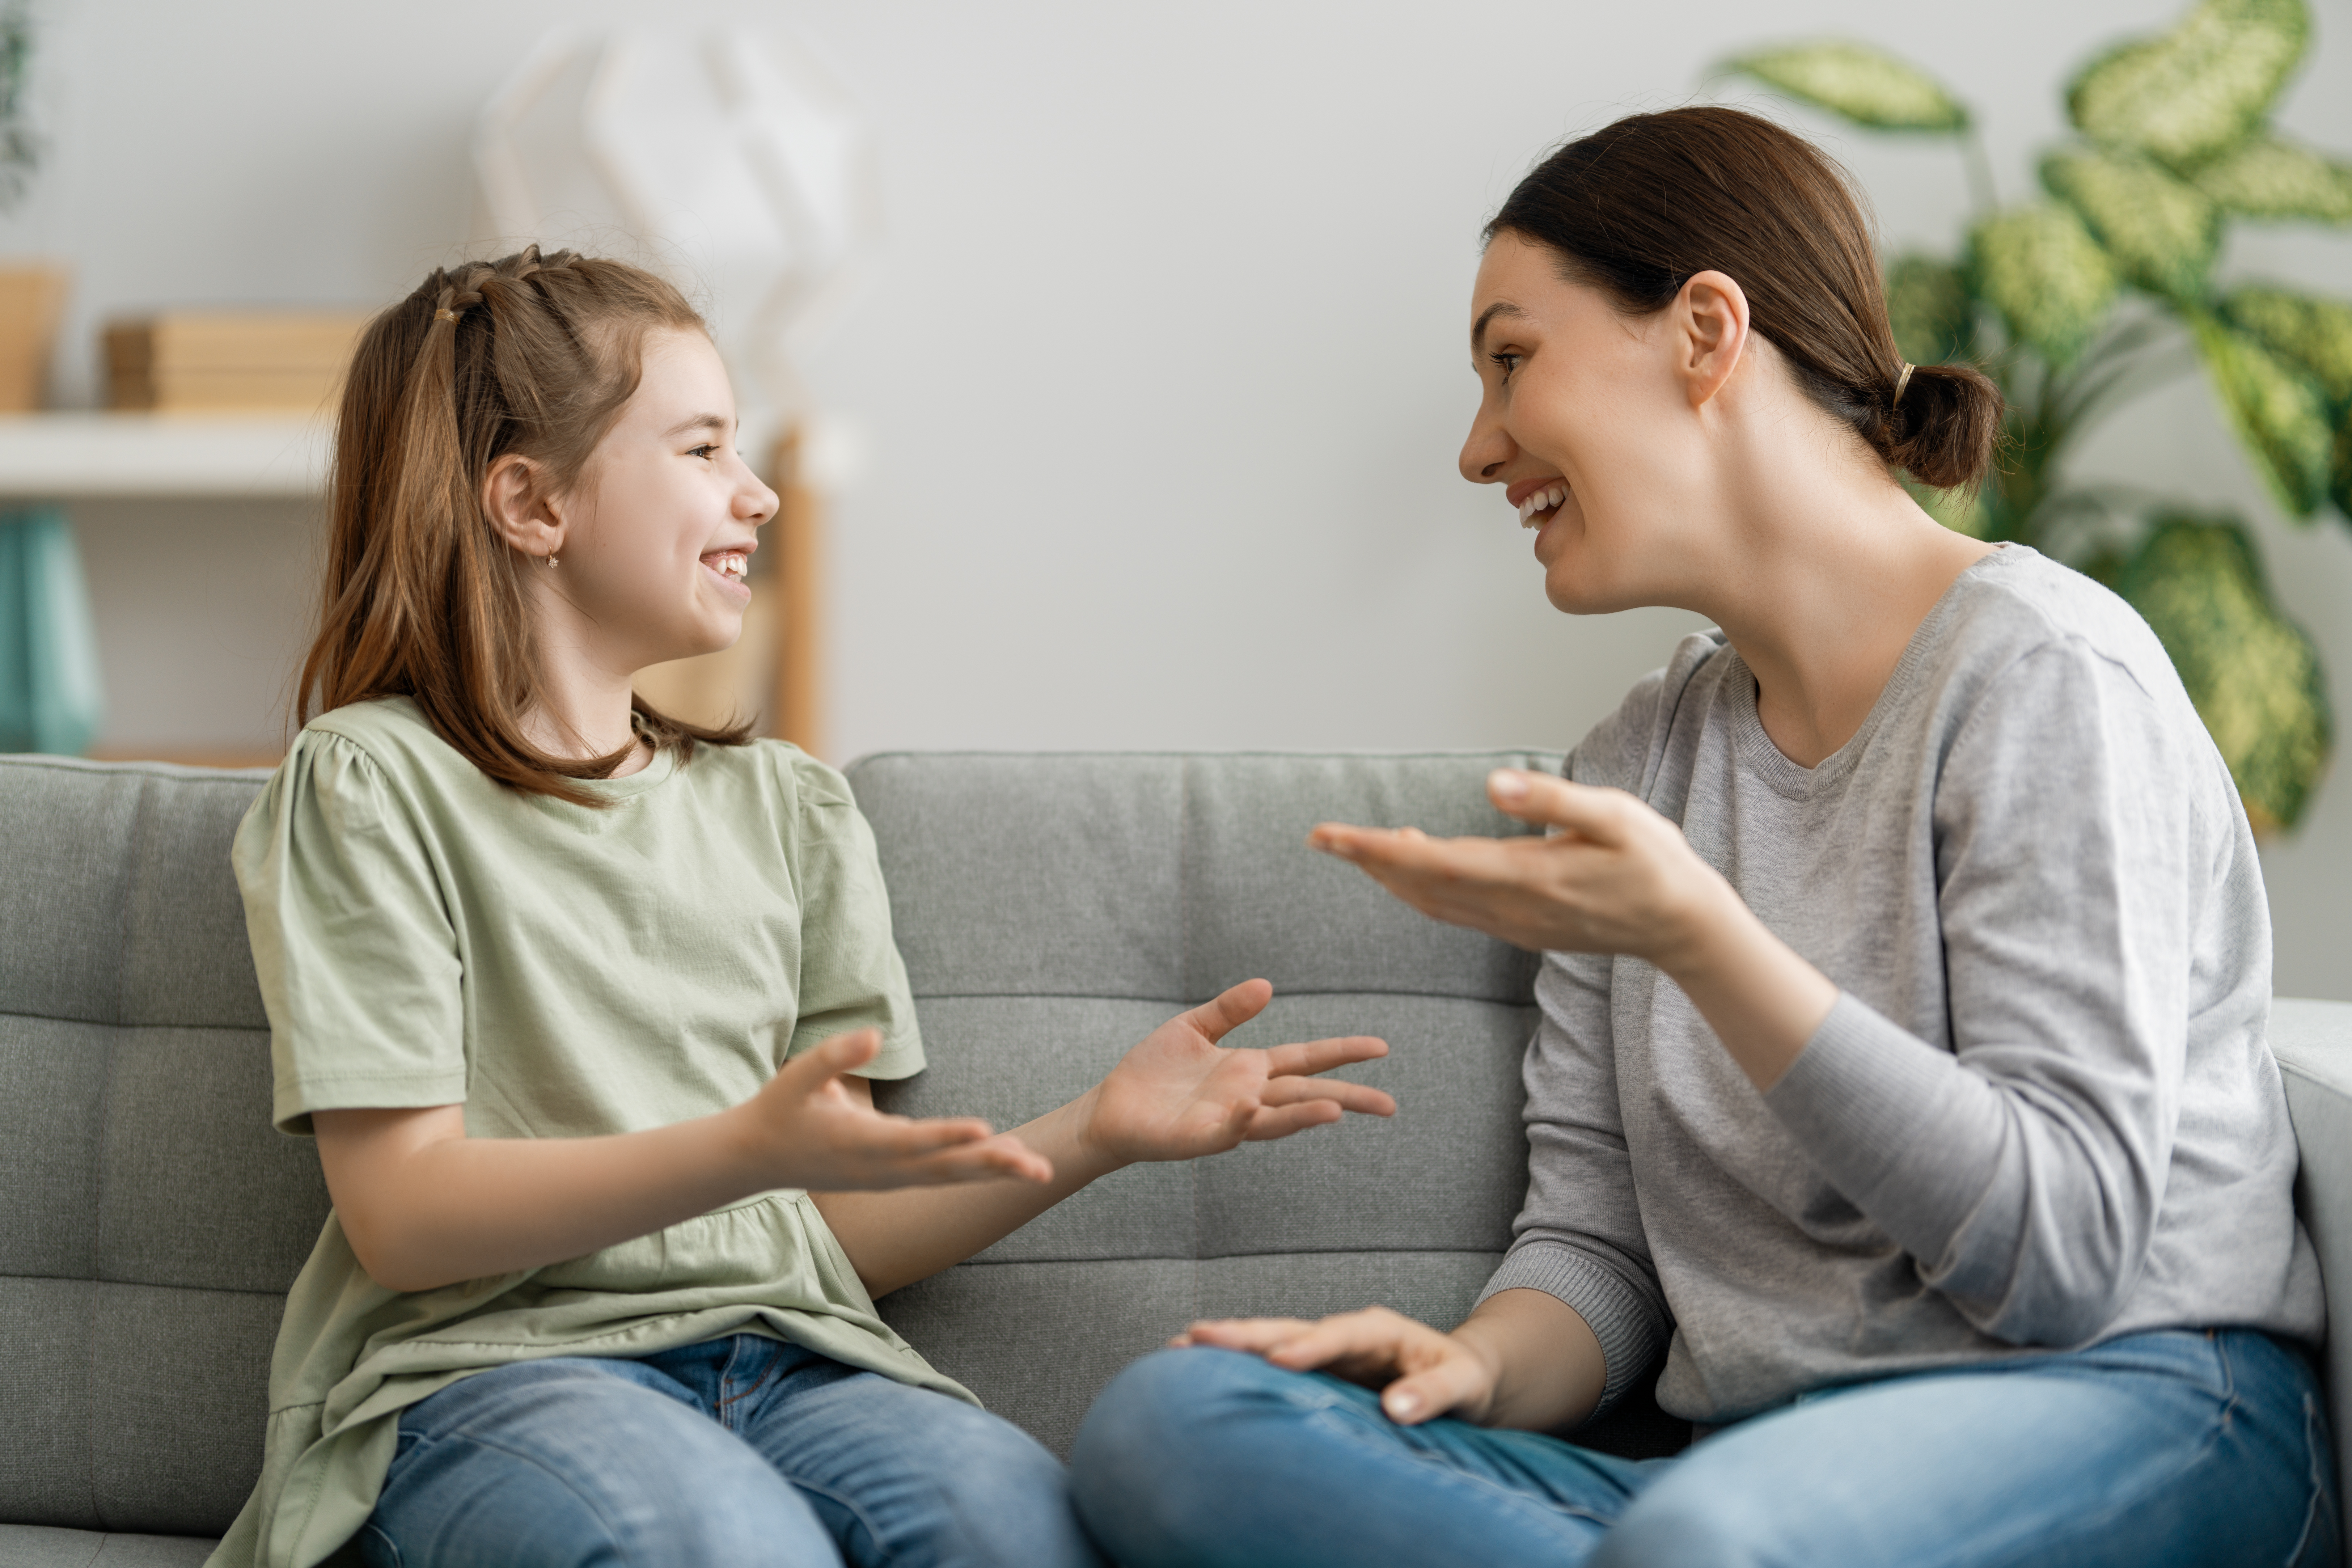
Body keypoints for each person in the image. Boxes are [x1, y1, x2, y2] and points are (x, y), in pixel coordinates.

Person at [1066, 106, 2338, 1568]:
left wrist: (1703, 937)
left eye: (1509, 360)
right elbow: (1597, 1248)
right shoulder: (1638, 765)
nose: (1479, 448)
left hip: (2132, 1410)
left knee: (1706, 1544)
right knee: (1171, 1420)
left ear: (1703, 331)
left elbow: (2059, 1256)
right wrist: (1471, 1361)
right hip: (1740, 1480)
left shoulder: (2040, 677)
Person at [206, 246, 1395, 1568]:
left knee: (1008, 1529)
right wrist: (741, 1151)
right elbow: (405, 1216)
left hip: (794, 1359)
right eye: (704, 447)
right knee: (724, 1545)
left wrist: (1096, 1133)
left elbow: (832, 1235)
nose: (758, 494)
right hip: (483, 1379)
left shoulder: (788, 809)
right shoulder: (371, 783)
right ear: (531, 503)